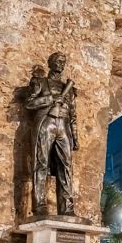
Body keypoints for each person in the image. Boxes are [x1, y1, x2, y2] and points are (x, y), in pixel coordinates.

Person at [25, 52, 79, 216]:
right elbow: (29, 103)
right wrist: (49, 100)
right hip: (46, 123)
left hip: (63, 126)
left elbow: (73, 115)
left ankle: (67, 208)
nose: (60, 63)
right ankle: (40, 206)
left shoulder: (68, 89)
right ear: (50, 63)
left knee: (66, 166)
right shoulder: (39, 82)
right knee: (41, 163)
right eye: (57, 60)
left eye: (63, 61)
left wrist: (75, 138)